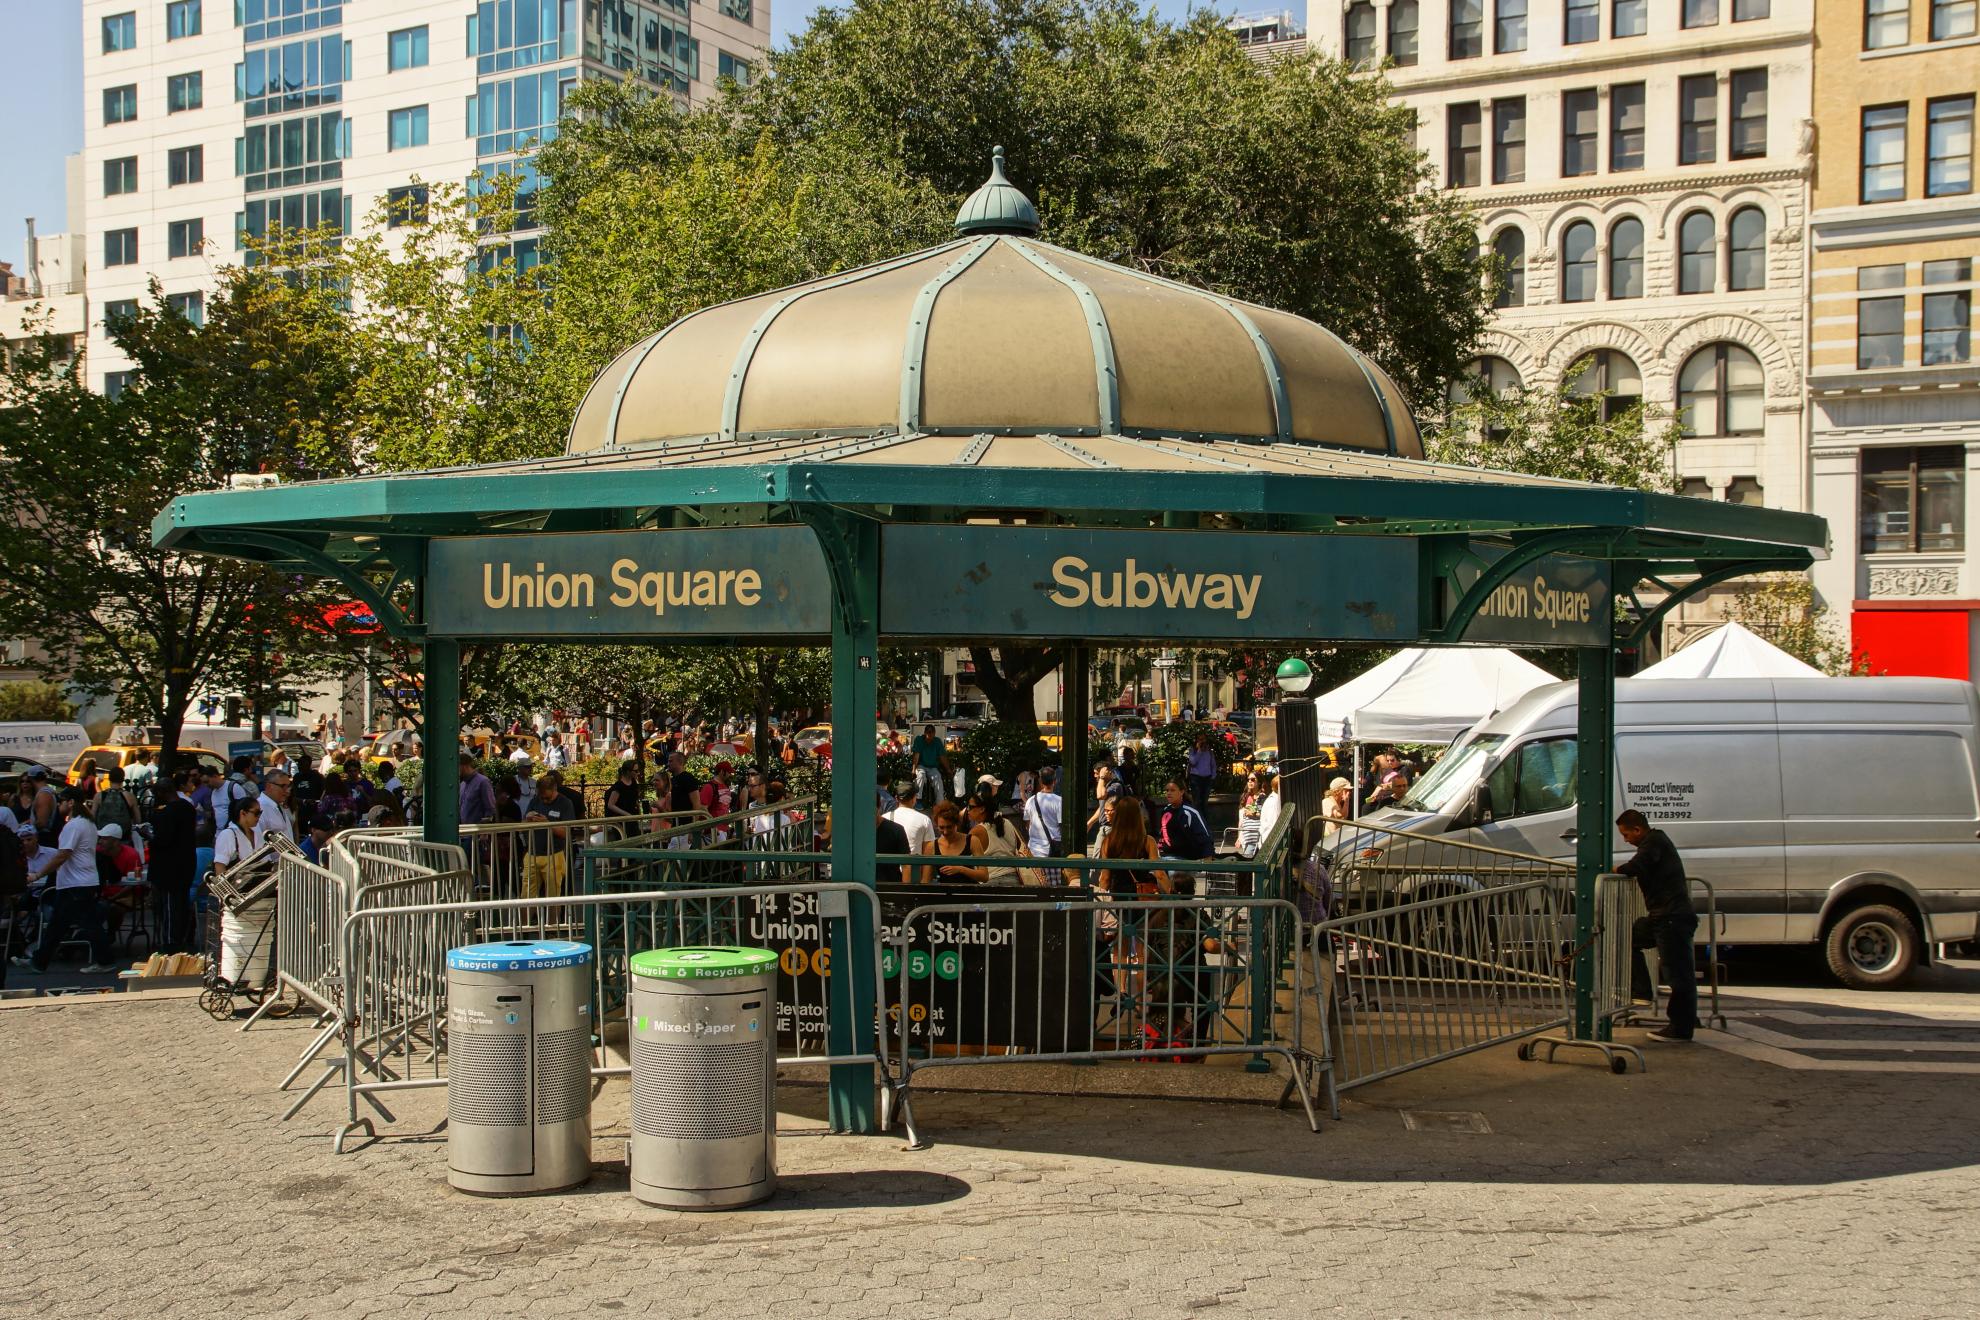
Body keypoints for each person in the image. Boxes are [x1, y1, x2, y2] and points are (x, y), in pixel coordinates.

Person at [1616, 809, 1699, 1043]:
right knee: (1627, 938)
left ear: (1637, 829)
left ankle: (1681, 1027)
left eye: (1626, 835)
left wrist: (1617, 870)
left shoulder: (1653, 842)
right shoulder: (1656, 841)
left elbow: (1638, 865)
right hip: (1663, 916)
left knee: (1678, 974)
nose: (1625, 840)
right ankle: (1643, 991)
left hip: (1671, 917)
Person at [12, 792, 114, 974]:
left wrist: (38, 874)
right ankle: (39, 961)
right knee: (58, 924)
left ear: (71, 802)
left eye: (61, 802)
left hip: (75, 883)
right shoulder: (88, 823)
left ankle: (104, 960)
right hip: (79, 881)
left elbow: (62, 855)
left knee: (87, 923)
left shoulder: (73, 826)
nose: (59, 806)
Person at [148, 768, 198, 953]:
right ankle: (181, 938)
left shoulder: (169, 813)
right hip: (185, 863)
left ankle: (171, 943)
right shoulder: (187, 808)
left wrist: (149, 835)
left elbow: (163, 840)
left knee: (170, 906)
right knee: (180, 904)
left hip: (169, 867)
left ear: (163, 793)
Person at [521, 771, 583, 900]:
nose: (544, 801)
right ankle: (528, 914)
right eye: (542, 797)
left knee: (553, 897)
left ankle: (554, 913)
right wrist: (528, 819)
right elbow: (522, 824)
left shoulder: (565, 803)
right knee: (526, 897)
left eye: (548, 798)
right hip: (532, 853)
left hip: (554, 854)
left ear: (555, 789)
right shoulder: (535, 800)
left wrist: (547, 824)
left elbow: (566, 833)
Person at [966, 789, 1029, 885]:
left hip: (991, 881)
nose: (967, 810)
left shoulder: (976, 831)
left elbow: (965, 858)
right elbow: (1022, 846)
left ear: (982, 809)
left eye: (970, 807)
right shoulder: (1008, 823)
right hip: (1014, 880)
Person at [885, 780, 935, 883]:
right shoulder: (924, 820)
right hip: (913, 876)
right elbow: (929, 853)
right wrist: (925, 882)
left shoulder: (884, 818)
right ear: (914, 798)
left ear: (896, 799)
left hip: (888, 875)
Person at [930, 800, 989, 884]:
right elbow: (925, 879)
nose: (945, 832)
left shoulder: (972, 841)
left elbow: (984, 876)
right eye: (941, 827)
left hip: (968, 890)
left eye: (949, 827)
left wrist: (961, 869)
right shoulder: (932, 846)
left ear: (956, 824)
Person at [1155, 780, 1214, 863]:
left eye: (1172, 790)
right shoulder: (1165, 810)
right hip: (1164, 856)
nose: (1169, 793)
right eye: (1167, 790)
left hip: (1184, 859)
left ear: (1182, 792)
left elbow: (1205, 837)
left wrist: (1207, 859)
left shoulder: (1190, 812)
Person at [1023, 766, 1064, 884]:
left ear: (1040, 781)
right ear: (1055, 781)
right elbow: (1062, 826)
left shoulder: (1031, 801)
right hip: (1052, 853)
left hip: (1034, 851)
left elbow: (1027, 824)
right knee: (1054, 887)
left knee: (1037, 885)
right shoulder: (1059, 801)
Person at [91, 765, 142, 852]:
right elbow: (138, 820)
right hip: (123, 840)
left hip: (104, 840)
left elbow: (92, 817)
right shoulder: (130, 796)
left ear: (109, 779)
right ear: (123, 779)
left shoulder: (99, 796)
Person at [212, 798, 264, 874]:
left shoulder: (258, 833)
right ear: (243, 813)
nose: (259, 816)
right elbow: (220, 868)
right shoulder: (227, 835)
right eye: (256, 813)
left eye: (260, 812)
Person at [874, 795, 911, 885]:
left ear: (879, 807)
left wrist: (905, 889)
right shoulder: (855, 830)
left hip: (891, 885)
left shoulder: (896, 830)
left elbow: (906, 864)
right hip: (862, 886)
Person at [910, 724, 949, 807]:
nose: (930, 734)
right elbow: (916, 755)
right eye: (928, 732)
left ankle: (940, 803)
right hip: (921, 765)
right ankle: (918, 800)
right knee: (920, 776)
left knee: (938, 778)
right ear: (925, 733)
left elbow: (942, 757)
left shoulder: (937, 741)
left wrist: (948, 770)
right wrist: (913, 769)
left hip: (933, 767)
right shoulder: (919, 739)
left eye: (932, 732)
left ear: (934, 733)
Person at [257, 770, 296, 843]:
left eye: (288, 786)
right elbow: (259, 843)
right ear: (269, 786)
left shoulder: (279, 805)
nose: (287, 791)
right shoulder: (259, 807)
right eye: (283, 786)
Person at [458, 755, 496, 827]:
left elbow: (490, 808)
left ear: (464, 766)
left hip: (478, 831)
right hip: (464, 831)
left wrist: (483, 830)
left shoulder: (483, 782)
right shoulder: (462, 784)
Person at [1185, 734, 1217, 812]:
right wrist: (1199, 750)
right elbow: (1193, 762)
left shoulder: (1209, 751)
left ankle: (1204, 818)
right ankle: (1196, 817)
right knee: (1197, 801)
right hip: (1196, 778)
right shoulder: (1193, 750)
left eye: (1203, 739)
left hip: (1207, 779)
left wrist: (1213, 776)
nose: (1202, 741)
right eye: (1200, 739)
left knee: (1204, 801)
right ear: (1197, 740)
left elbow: (1213, 765)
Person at [1236, 773, 1265, 857]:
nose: (1249, 781)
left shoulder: (1261, 797)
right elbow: (1242, 819)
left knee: (1247, 861)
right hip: (1246, 837)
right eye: (1248, 779)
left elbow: (1262, 813)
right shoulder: (1247, 797)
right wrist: (1239, 837)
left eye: (1253, 779)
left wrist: (1253, 813)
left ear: (1259, 782)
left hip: (1255, 836)